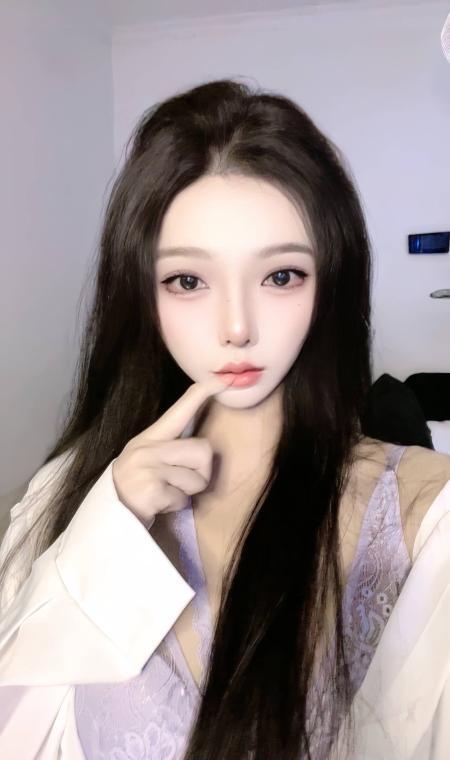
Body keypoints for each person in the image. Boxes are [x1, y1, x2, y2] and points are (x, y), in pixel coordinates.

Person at [0, 79, 449, 760]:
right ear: (140, 294)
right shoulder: (70, 492)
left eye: (281, 276)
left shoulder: (422, 512)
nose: (237, 327)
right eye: (188, 281)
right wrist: (107, 526)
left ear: (331, 280)